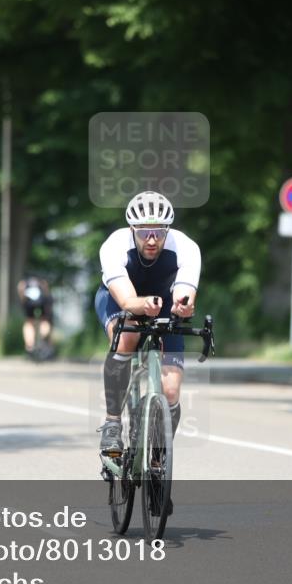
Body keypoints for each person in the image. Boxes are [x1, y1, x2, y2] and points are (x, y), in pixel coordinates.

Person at [96, 191, 200, 458]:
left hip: (163, 302)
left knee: (171, 389)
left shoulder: (186, 247)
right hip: (120, 300)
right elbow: (127, 300)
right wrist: (141, 306)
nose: (152, 239)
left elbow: (184, 292)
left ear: (168, 229)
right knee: (126, 338)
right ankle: (112, 422)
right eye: (144, 232)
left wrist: (183, 306)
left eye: (159, 232)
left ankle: (158, 456)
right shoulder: (115, 244)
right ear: (132, 229)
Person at [18, 275, 53, 357]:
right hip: (40, 301)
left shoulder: (26, 282)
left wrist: (23, 299)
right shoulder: (41, 282)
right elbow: (46, 291)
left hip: (30, 302)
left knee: (30, 322)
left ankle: (31, 345)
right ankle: (40, 339)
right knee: (43, 321)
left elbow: (20, 288)